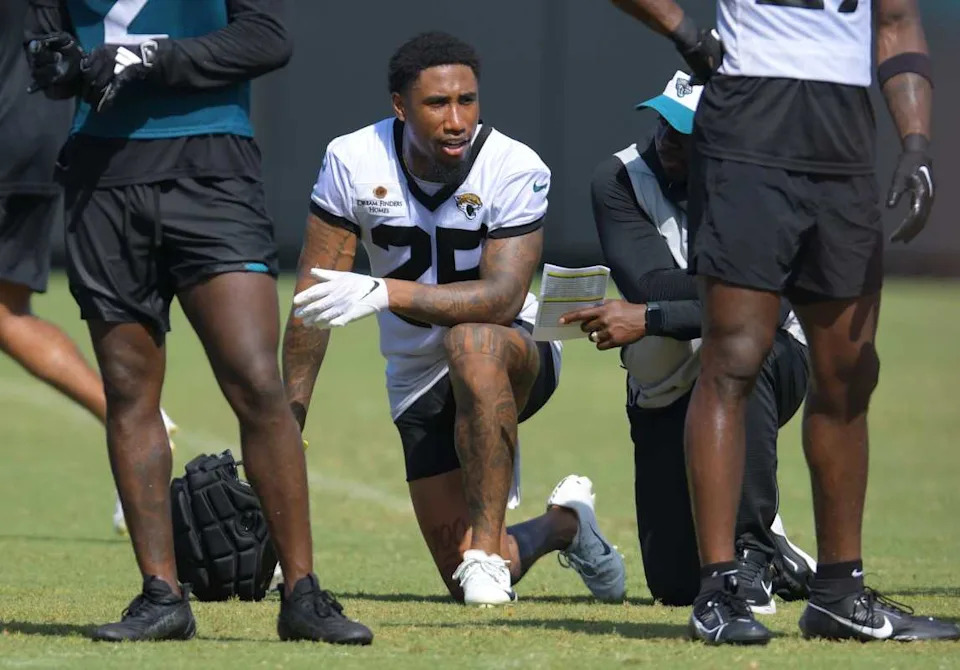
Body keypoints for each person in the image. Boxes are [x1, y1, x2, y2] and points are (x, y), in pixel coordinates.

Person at [609, 0, 958, 645]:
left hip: (843, 140)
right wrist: (687, 34)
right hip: (748, 130)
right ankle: (720, 589)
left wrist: (915, 142)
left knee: (849, 370)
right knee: (734, 356)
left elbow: (897, 21)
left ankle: (839, 592)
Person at [26, 0, 371, 644]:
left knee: (255, 380)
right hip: (102, 173)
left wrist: (152, 57)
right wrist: (58, 64)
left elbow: (267, 38)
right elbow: (49, 44)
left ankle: (303, 594)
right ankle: (162, 596)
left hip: (211, 167)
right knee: (128, 391)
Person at [284, 31, 625, 607]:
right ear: (400, 106)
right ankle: (564, 526)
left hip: (514, 349)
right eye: (437, 103)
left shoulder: (513, 165)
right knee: (455, 573)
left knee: (472, 343)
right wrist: (286, 426)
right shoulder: (352, 159)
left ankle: (486, 553)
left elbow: (503, 299)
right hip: (415, 374)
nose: (456, 120)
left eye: (467, 100)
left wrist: (386, 291)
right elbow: (311, 302)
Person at [561, 71, 816, 614]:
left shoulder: (765, 184)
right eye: (664, 123)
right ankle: (775, 547)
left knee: (740, 346)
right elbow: (650, 283)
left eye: (688, 133)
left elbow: (766, 311)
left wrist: (654, 317)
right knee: (675, 585)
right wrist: (732, 290)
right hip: (667, 374)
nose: (668, 141)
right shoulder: (619, 177)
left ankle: (749, 549)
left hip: (771, 359)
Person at [0, 0, 176, 536]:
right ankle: (137, 423)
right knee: (7, 310)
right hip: (43, 128)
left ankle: (136, 422)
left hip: (14, 134)